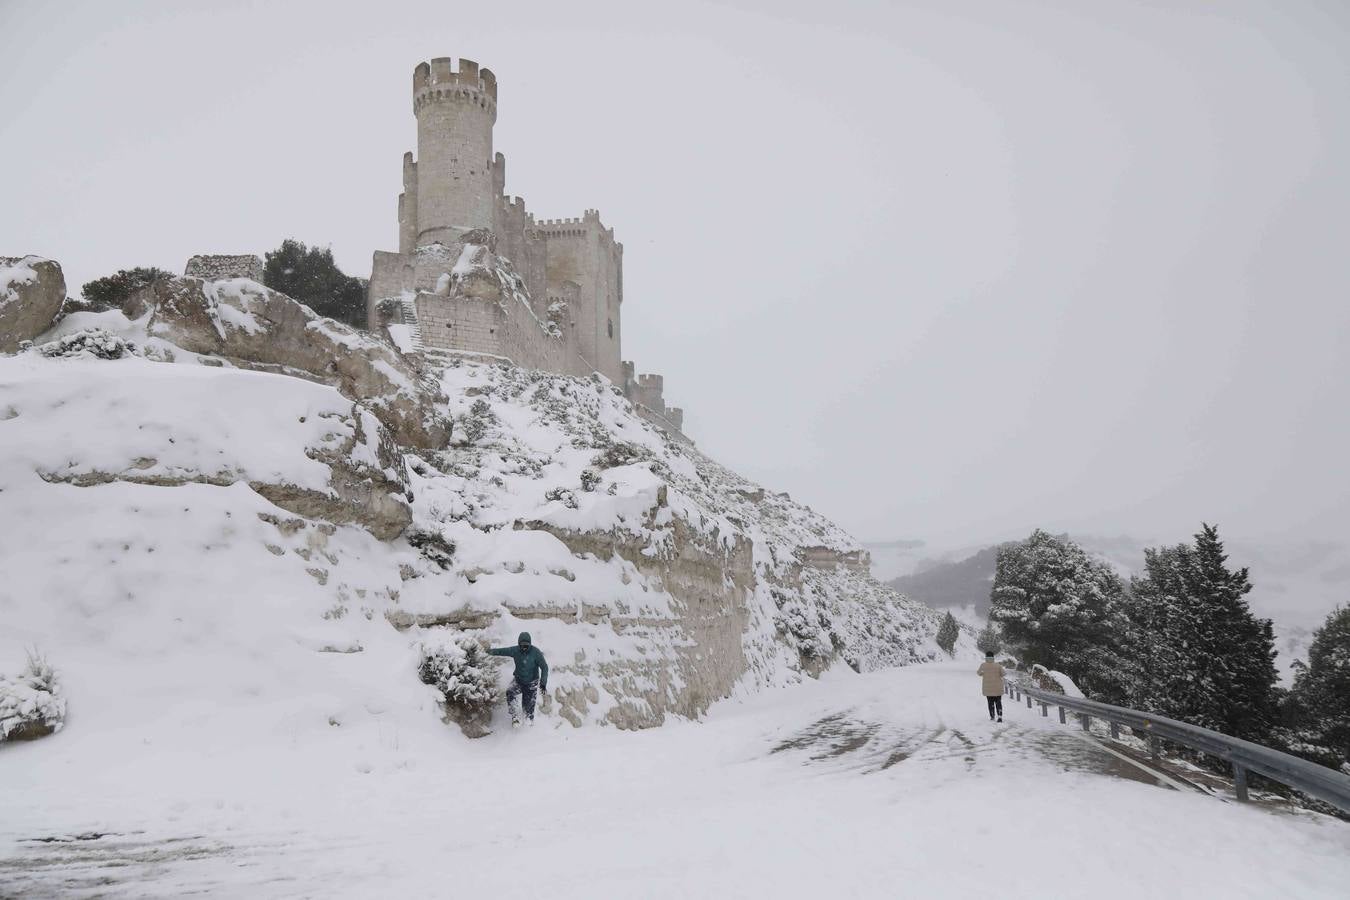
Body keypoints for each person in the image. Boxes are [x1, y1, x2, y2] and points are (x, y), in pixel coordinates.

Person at [488, 632, 549, 727]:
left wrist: (543, 683)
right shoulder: (515, 650)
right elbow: (501, 651)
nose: (524, 648)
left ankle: (528, 725)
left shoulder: (536, 653)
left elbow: (544, 667)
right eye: (522, 645)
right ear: (519, 644)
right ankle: (515, 716)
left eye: (526, 645)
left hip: (531, 683)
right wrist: (487, 651)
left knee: (528, 708)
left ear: (530, 644)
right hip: (519, 680)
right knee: (510, 692)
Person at [977, 651, 1005, 722]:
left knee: (990, 702)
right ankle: (1000, 716)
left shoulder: (983, 665)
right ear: (993, 657)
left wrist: (984, 674)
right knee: (998, 702)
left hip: (988, 688)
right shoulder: (998, 665)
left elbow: (978, 673)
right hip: (998, 688)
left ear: (986, 657)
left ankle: (992, 716)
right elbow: (1003, 674)